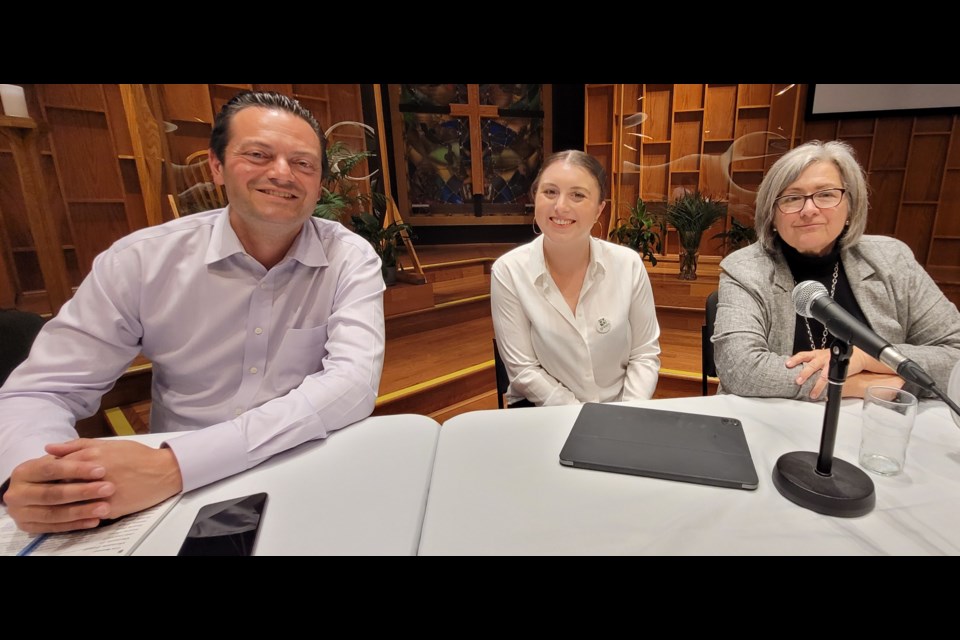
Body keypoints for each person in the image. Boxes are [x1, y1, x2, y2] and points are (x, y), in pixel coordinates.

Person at [0, 91, 386, 533]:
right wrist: (41, 478)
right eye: (258, 154)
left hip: (304, 459)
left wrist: (176, 465)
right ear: (216, 166)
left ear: (319, 183)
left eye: (303, 164)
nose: (282, 174)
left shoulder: (349, 258)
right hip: (171, 494)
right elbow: (40, 391)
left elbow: (352, 384)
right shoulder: (141, 262)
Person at [713, 139, 960, 401]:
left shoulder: (892, 259)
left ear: (851, 206)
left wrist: (866, 358)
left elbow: (954, 354)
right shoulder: (745, 268)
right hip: (774, 424)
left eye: (826, 195)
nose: (809, 209)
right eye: (792, 198)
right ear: (772, 214)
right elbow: (740, 369)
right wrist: (849, 385)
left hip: (877, 424)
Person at [491, 150, 661, 406]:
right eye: (550, 192)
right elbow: (524, 369)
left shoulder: (628, 265)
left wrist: (628, 412)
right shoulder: (509, 271)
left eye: (578, 195)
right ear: (534, 198)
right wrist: (584, 418)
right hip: (544, 409)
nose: (560, 206)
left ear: (599, 209)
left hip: (621, 408)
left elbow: (644, 353)